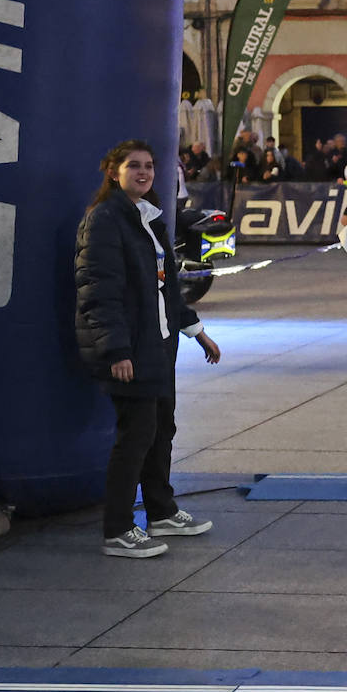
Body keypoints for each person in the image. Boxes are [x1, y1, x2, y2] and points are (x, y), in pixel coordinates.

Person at [74, 140, 221, 558]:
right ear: (112, 172)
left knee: (161, 432)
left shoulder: (148, 219)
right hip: (131, 351)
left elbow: (166, 288)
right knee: (135, 437)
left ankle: (161, 512)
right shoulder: (104, 220)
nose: (143, 173)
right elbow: (98, 292)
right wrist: (117, 351)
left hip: (158, 348)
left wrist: (197, 331)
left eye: (149, 167)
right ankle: (118, 530)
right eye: (133, 166)